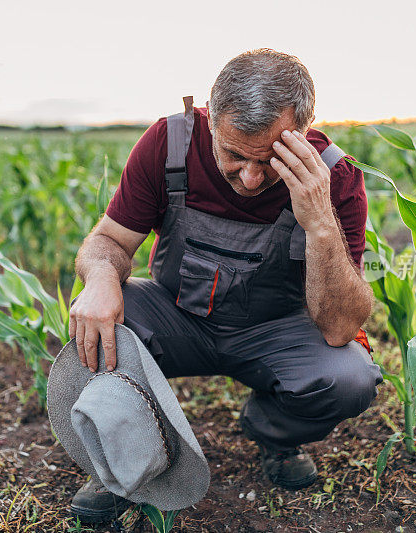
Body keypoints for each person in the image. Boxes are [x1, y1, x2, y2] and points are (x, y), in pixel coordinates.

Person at [66, 48, 383, 522]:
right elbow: (108, 241)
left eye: (271, 158)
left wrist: (319, 222)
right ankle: (128, 463)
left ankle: (272, 432)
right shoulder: (170, 143)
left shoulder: (334, 175)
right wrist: (101, 278)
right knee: (92, 330)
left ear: (305, 129)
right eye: (234, 154)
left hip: (275, 330)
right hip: (176, 315)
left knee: (350, 379)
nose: (251, 177)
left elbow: (339, 328)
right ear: (210, 119)